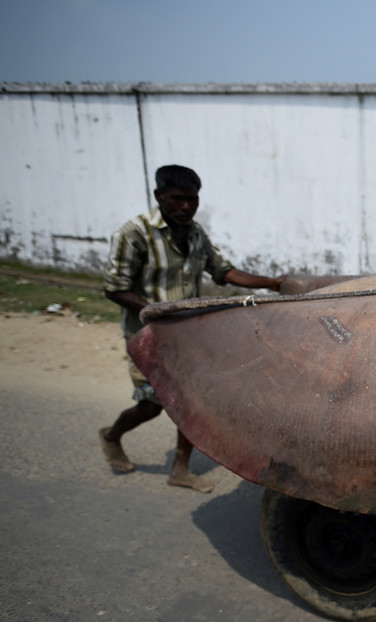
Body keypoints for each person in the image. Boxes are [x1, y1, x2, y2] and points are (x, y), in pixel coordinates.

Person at [98, 164, 286, 492]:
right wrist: (159, 313)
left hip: (189, 336)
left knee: (191, 401)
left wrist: (272, 283)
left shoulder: (196, 233)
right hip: (149, 339)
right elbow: (114, 287)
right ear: (159, 196)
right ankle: (111, 436)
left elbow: (223, 271)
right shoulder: (134, 234)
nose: (185, 207)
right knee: (151, 406)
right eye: (177, 199)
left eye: (192, 200)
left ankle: (180, 470)